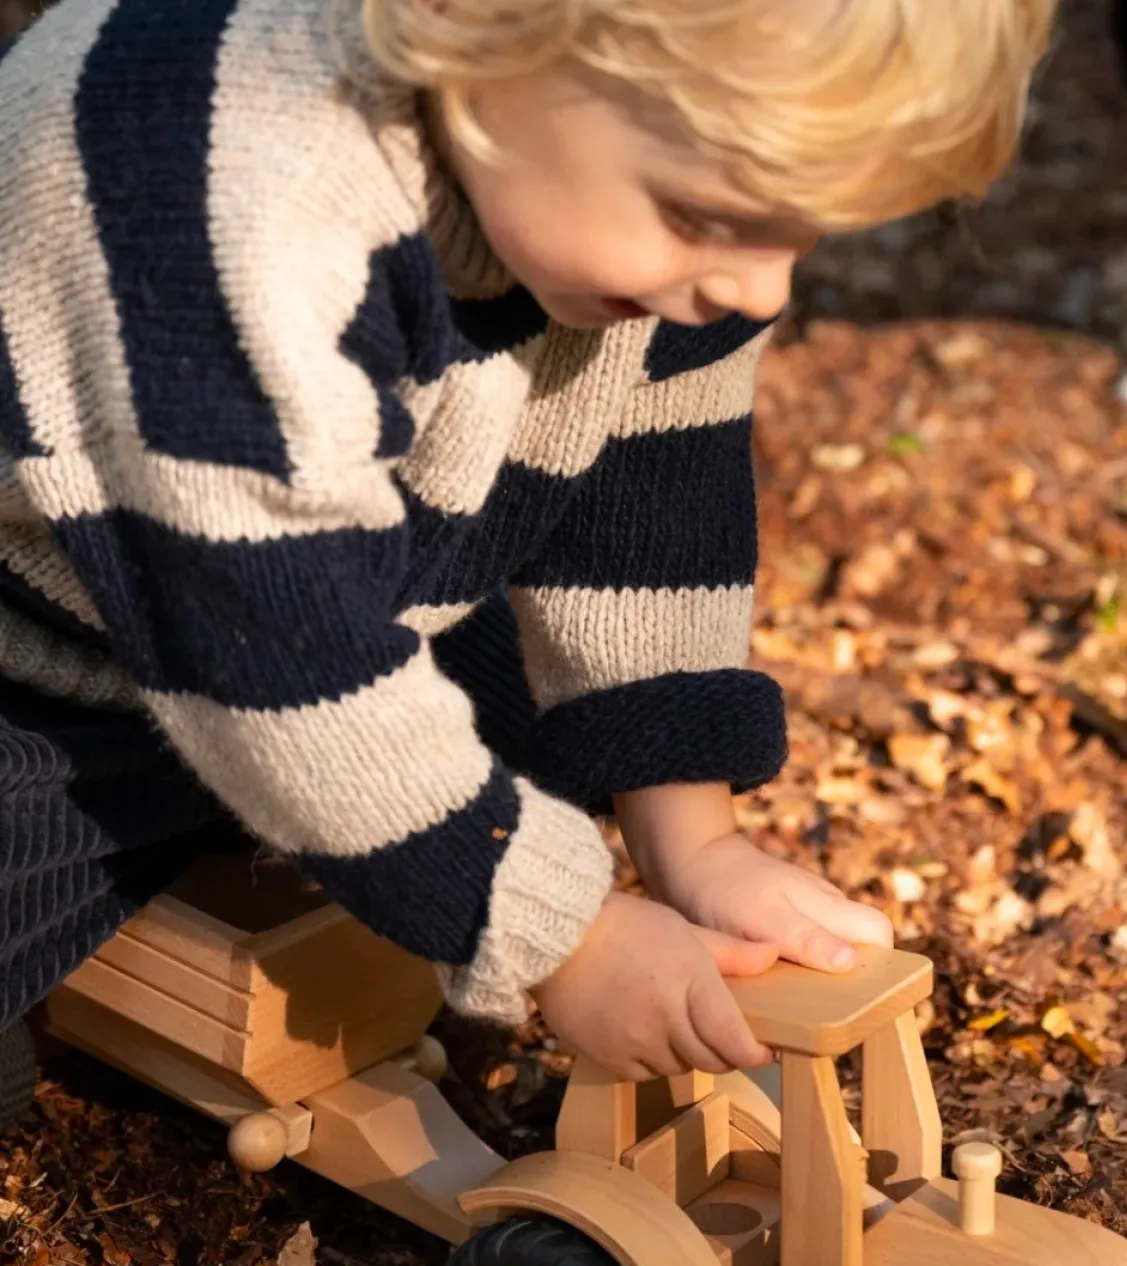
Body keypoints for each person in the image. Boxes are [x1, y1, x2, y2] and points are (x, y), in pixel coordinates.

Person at [0, 0, 1053, 1081]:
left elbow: (651, 491)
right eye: (702, 215)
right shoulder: (231, 190)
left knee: (537, 742)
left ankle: (328, 827)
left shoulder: (601, 191)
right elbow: (272, 645)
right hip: (50, 650)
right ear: (482, 30)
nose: (760, 287)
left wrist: (688, 830)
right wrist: (565, 933)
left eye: (801, 233)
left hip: (328, 582)